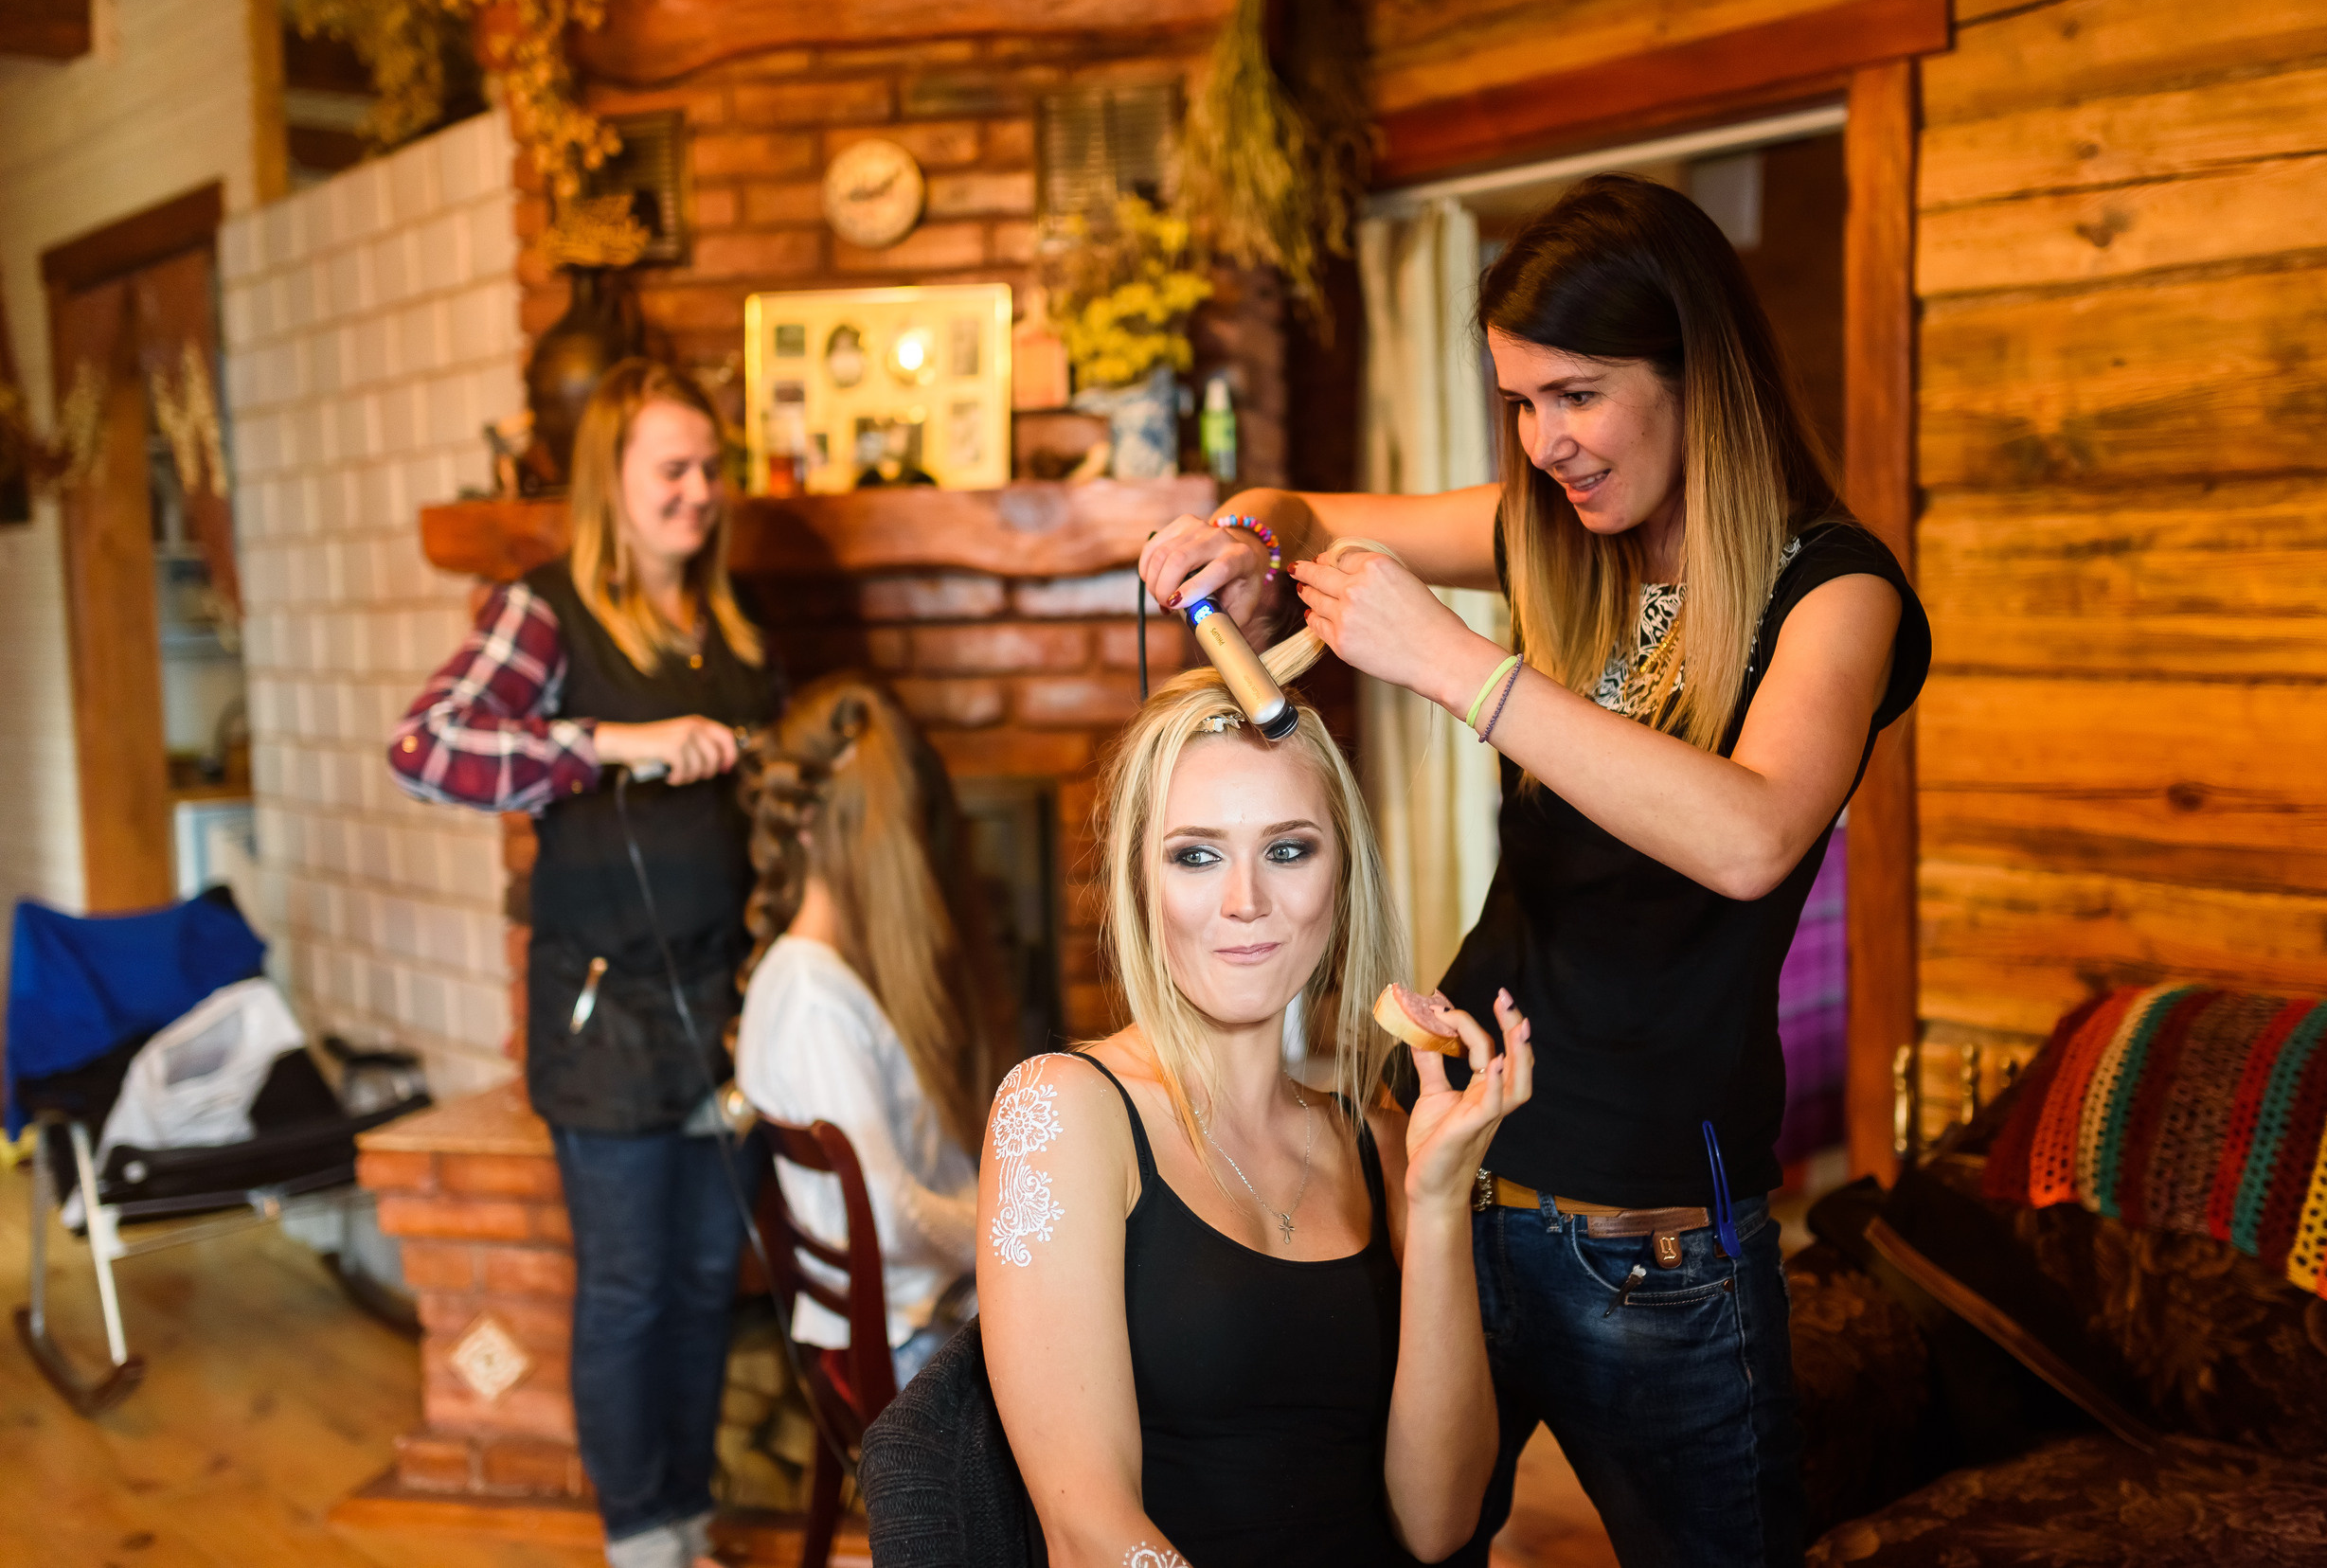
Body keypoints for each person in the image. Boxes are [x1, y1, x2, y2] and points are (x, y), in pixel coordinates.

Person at [1137, 172, 1932, 1567]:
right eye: (1517, 400)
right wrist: (1242, 543)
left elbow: (1749, 836)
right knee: (1407, 1542)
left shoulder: (1834, 591)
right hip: (1452, 1162)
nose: (1543, 441)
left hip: (1655, 1239)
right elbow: (1295, 510)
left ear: (1698, 373)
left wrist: (1454, 663)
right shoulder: (1560, 533)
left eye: (1577, 394)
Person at [977, 652, 1535, 1567]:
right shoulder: (1061, 1113)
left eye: (1288, 849)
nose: (1246, 902)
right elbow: (1086, 1532)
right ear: (1139, 881)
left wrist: (1438, 1203)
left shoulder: (1380, 1139)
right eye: (1196, 855)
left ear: (1340, 875)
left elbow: (1439, 1522)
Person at [390, 357, 778, 1568]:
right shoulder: (542, 611)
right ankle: (641, 1539)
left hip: (727, 1006)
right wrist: (608, 741)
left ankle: (689, 1520)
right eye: (672, 468)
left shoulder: (726, 619)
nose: (699, 490)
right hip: (604, 1016)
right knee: (629, 1288)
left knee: (708, 1278)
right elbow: (425, 745)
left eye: (710, 467)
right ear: (610, 479)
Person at [733, 672, 1013, 1385]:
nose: (904, 850)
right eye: (881, 827)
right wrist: (1009, 1230)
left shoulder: (821, 975)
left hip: (926, 1301)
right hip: (905, 1338)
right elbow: (888, 1218)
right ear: (806, 826)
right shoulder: (814, 1001)